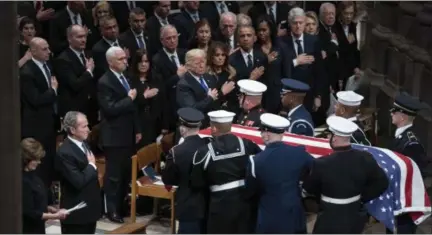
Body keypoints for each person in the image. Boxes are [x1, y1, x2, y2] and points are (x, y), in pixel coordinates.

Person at [303, 116, 389, 234]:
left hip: (329, 218)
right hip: (355, 217)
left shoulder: (321, 164)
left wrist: (321, 198)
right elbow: (382, 182)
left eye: (329, 135)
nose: (328, 137)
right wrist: (362, 197)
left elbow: (309, 188)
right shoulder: (365, 158)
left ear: (335, 138)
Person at [190, 110, 262, 233]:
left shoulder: (204, 152)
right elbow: (260, 165)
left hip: (220, 205)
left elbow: (196, 182)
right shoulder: (248, 144)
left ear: (213, 128)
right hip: (245, 202)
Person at [245, 113, 314, 233]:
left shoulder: (256, 162)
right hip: (295, 217)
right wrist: (304, 189)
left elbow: (250, 191)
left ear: (266, 135)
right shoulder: (299, 153)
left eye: (262, 132)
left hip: (269, 220)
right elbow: (316, 170)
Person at [97, 46, 141, 223]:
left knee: (125, 173)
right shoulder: (105, 82)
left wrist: (137, 129)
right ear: (110, 62)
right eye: (121, 59)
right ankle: (111, 210)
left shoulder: (126, 77)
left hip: (128, 134)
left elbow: (133, 109)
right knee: (114, 176)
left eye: (125, 58)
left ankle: (122, 206)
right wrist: (129, 98)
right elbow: (110, 109)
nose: (126, 61)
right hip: (113, 136)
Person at [162, 107, 210, 234]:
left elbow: (168, 179)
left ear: (183, 128)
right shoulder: (209, 145)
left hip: (188, 205)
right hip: (208, 202)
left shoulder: (176, 152)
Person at [55, 111, 101, 233]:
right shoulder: (65, 152)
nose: (88, 129)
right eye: (84, 126)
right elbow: (78, 181)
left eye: (88, 125)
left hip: (90, 209)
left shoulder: (84, 143)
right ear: (72, 130)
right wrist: (91, 165)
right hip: (76, 214)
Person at [387, 92, 427, 234]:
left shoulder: (411, 144)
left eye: (394, 111)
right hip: (397, 199)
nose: (391, 113)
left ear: (402, 117)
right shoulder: (400, 137)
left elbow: (416, 175)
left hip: (404, 203)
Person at [22, 138, 68, 234]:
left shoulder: (35, 177)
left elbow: (37, 202)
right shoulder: (22, 181)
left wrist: (51, 209)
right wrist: (55, 216)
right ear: (26, 159)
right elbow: (30, 212)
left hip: (39, 227)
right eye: (36, 159)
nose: (39, 162)